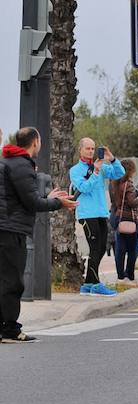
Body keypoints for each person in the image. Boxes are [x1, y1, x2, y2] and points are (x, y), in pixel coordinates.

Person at [0, 127, 78, 343]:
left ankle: (4, 327)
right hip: (11, 230)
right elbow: (32, 202)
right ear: (35, 142)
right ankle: (9, 330)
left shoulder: (10, 162)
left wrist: (48, 196)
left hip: (8, 228)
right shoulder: (21, 165)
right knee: (13, 283)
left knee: (6, 281)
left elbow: (25, 196)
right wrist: (58, 203)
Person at [69, 138, 124, 297]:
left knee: (101, 248)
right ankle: (96, 284)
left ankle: (88, 284)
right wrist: (96, 172)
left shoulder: (101, 165)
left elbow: (119, 173)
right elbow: (84, 187)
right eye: (87, 148)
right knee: (94, 248)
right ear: (80, 150)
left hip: (101, 212)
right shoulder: (75, 170)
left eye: (93, 149)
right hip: (87, 214)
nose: (91, 151)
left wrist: (111, 158)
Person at [110, 159, 138, 286]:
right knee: (133, 249)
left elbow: (120, 200)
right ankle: (130, 277)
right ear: (130, 171)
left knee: (120, 250)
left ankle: (120, 277)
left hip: (117, 218)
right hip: (129, 220)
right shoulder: (128, 184)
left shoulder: (113, 184)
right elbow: (132, 202)